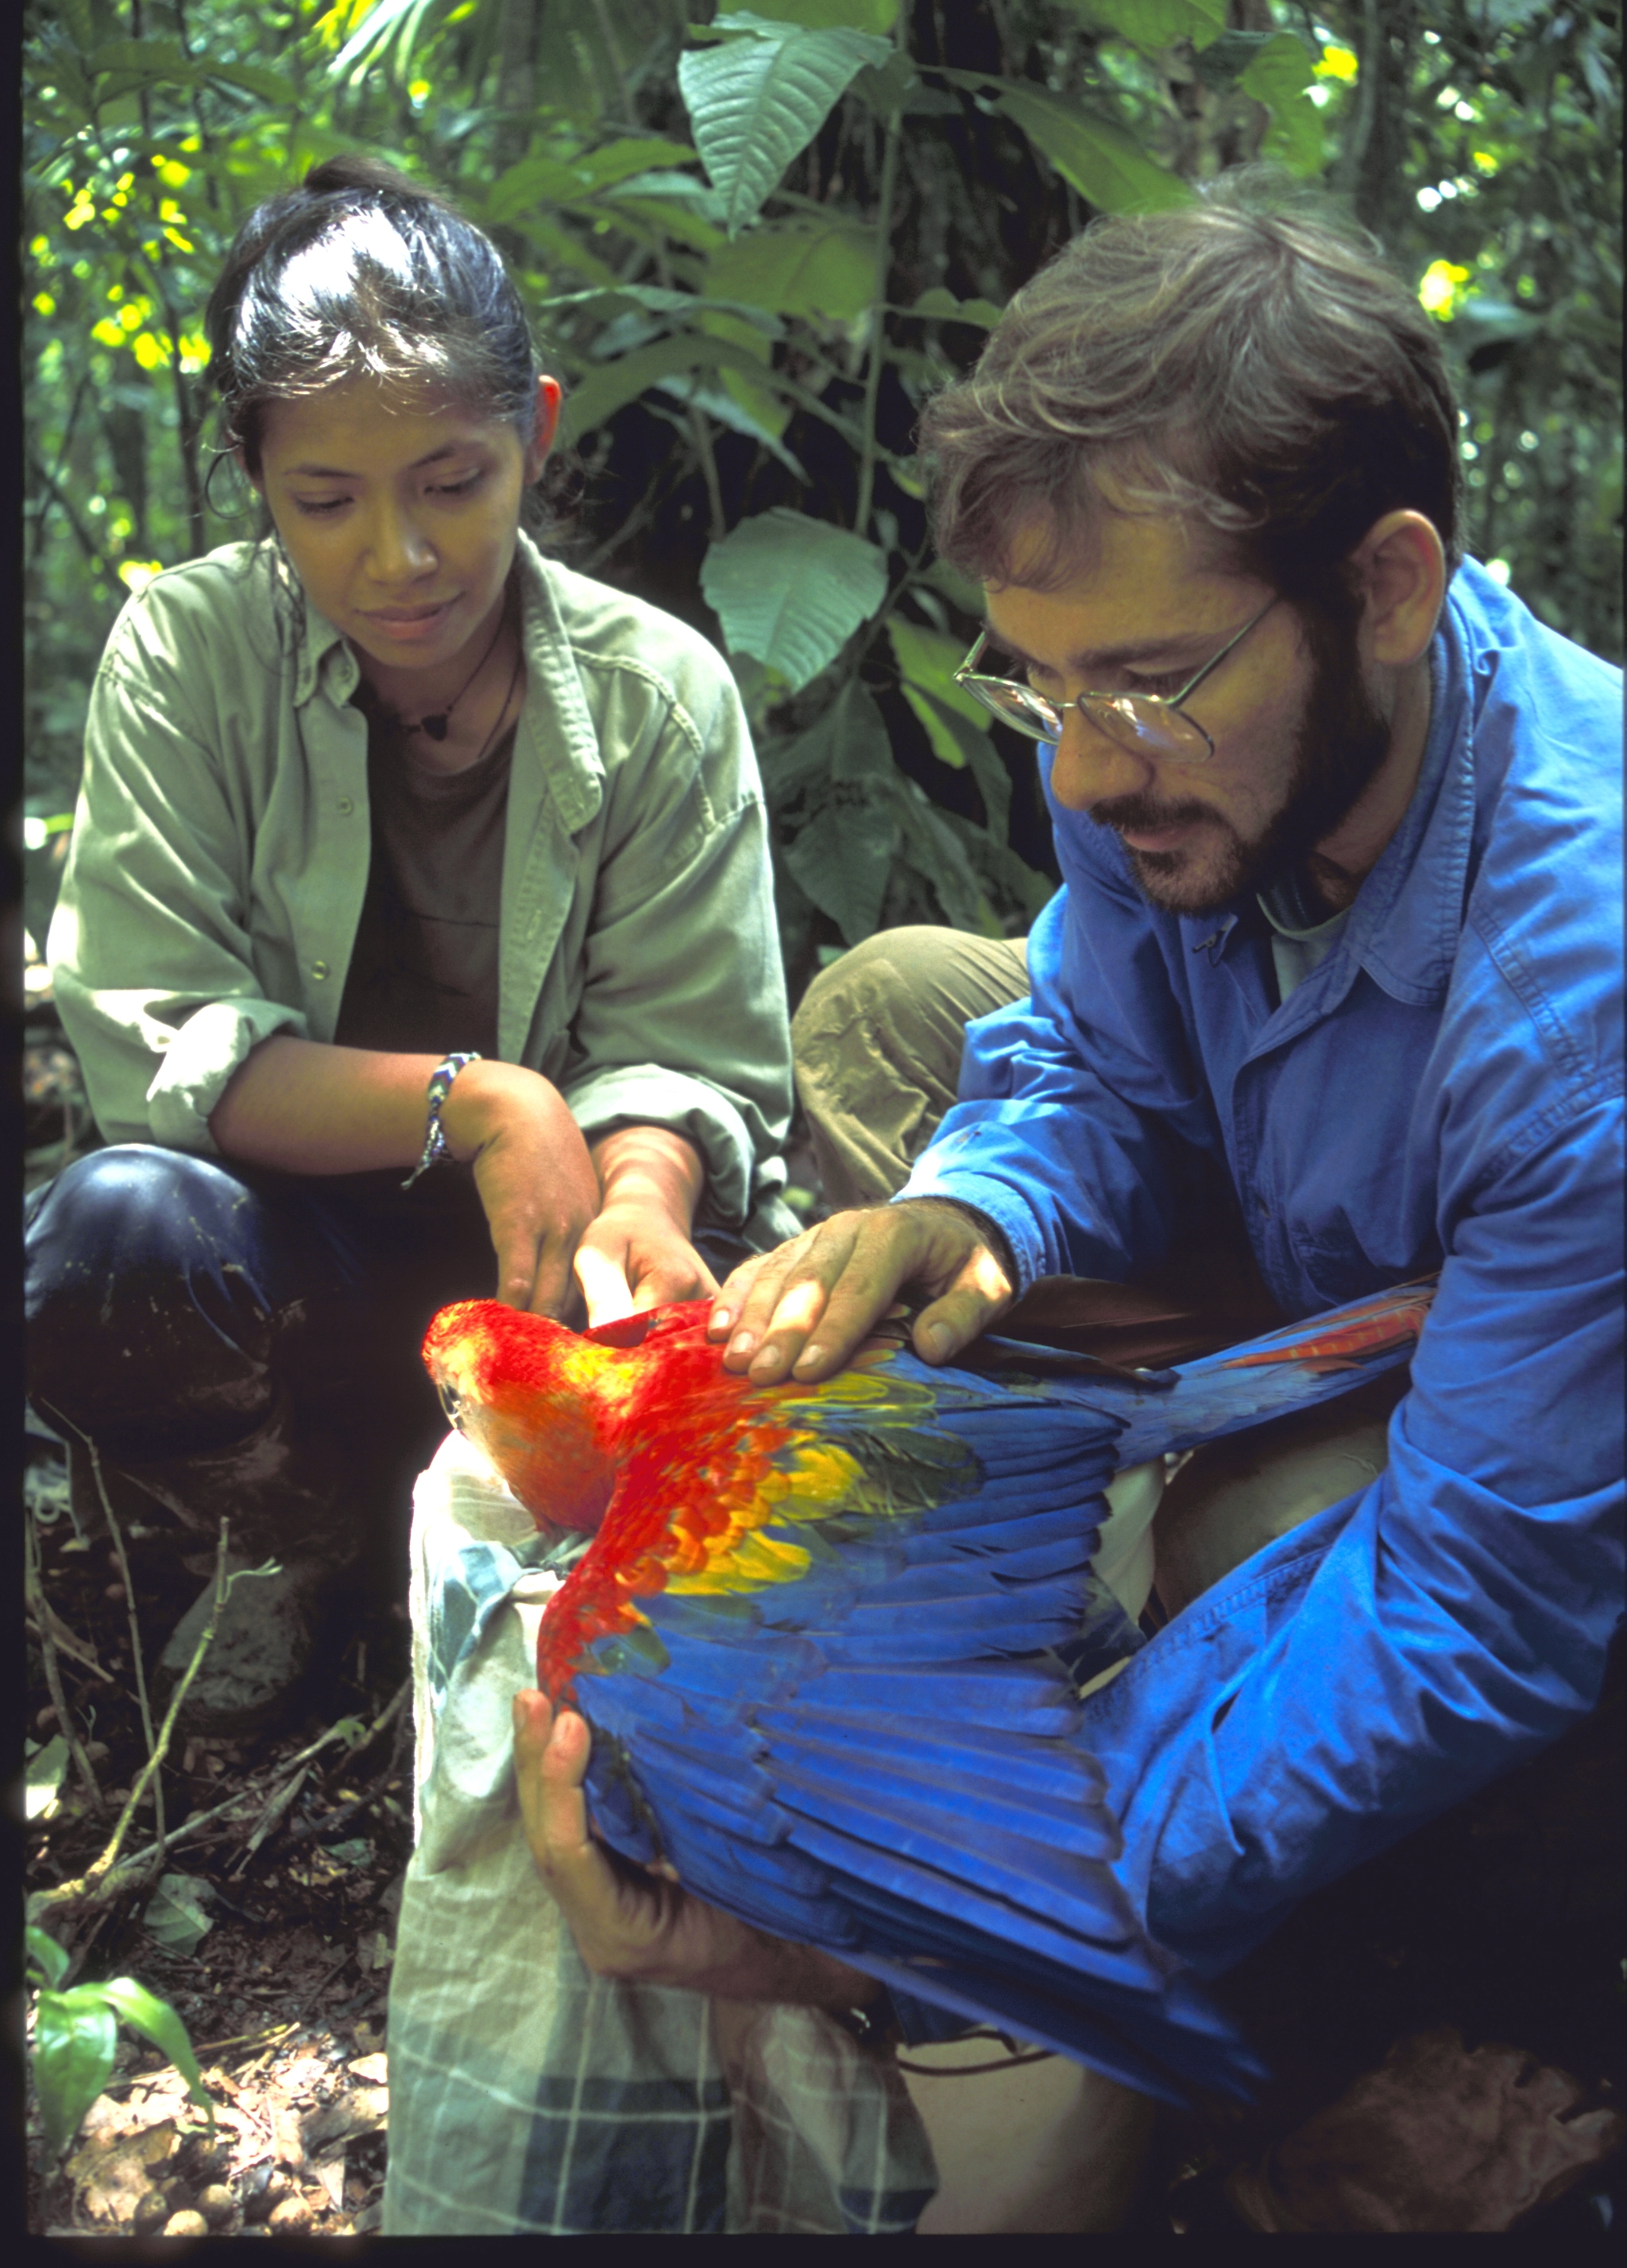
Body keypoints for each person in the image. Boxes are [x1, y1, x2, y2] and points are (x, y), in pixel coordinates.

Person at [508, 179, 1622, 2230]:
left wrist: (937, 1897)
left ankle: (1478, 2010)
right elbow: (1093, 1049)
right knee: (900, 1019)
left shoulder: (1582, 990)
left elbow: (1488, 1597)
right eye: (1039, 690)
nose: (1088, 772)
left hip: (1531, 1451)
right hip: (1325, 1276)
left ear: (1390, 582)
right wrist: (978, 1212)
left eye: (1145, 687)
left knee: (1278, 1534)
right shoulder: (1161, 732)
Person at [25, 156, 798, 1737]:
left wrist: (638, 1194)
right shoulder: (189, 651)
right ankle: (281, 1526)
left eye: (454, 481)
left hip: (547, 1294)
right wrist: (481, 1100)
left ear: (539, 431)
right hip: (289, 1271)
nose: (401, 557)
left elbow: (689, 1048)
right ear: (256, 476)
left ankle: (526, 1552)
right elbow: (157, 1044)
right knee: (112, 1236)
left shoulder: (659, 692)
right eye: (327, 502)